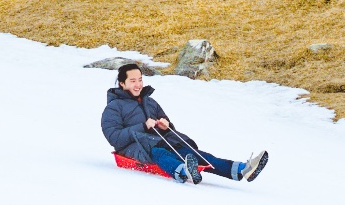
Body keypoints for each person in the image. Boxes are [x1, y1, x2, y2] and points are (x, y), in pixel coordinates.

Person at [101, 62, 269, 184]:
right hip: (133, 147)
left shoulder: (150, 102)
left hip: (158, 139)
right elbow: (114, 137)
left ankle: (241, 169)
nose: (138, 84)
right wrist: (143, 126)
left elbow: (168, 125)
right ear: (122, 83)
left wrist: (165, 125)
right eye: (132, 81)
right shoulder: (114, 107)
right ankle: (183, 171)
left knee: (195, 153)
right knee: (158, 152)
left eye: (140, 79)